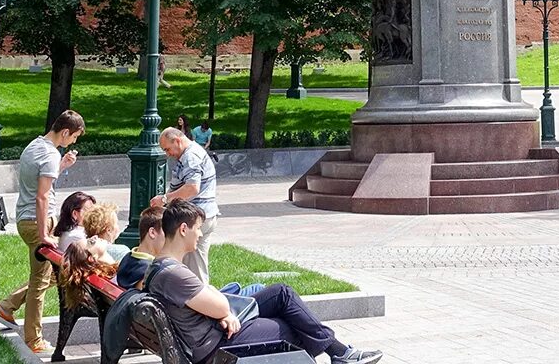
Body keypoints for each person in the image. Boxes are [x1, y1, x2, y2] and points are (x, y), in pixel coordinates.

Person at [115, 201, 382, 364]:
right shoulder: (173, 273)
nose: (200, 234)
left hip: (209, 333)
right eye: (197, 228)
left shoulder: (161, 266)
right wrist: (224, 314)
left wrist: (223, 312)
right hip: (213, 345)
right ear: (183, 229)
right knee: (288, 326)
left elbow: (209, 300)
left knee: (282, 294)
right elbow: (218, 304)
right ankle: (339, 353)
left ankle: (339, 353)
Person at [0, 109, 85, 354]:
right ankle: (34, 340)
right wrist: (44, 234)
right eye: (74, 137)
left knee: (53, 274)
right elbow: (42, 197)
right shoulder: (50, 154)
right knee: (42, 282)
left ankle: (6, 306)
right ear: (65, 132)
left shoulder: (34, 146)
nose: (73, 142)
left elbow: (38, 184)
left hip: (26, 220)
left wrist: (61, 166)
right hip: (37, 223)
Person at [150, 126, 219, 282]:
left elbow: (192, 188)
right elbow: (178, 187)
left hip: (196, 219)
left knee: (194, 269)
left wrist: (164, 200)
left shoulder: (190, 156)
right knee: (193, 265)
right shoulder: (186, 155)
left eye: (168, 149)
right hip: (200, 216)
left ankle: (199, 300)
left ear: (177, 141)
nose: (168, 154)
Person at [53, 190, 97, 254]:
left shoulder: (68, 233)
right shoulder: (77, 237)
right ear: (75, 214)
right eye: (89, 211)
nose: (94, 215)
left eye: (95, 211)